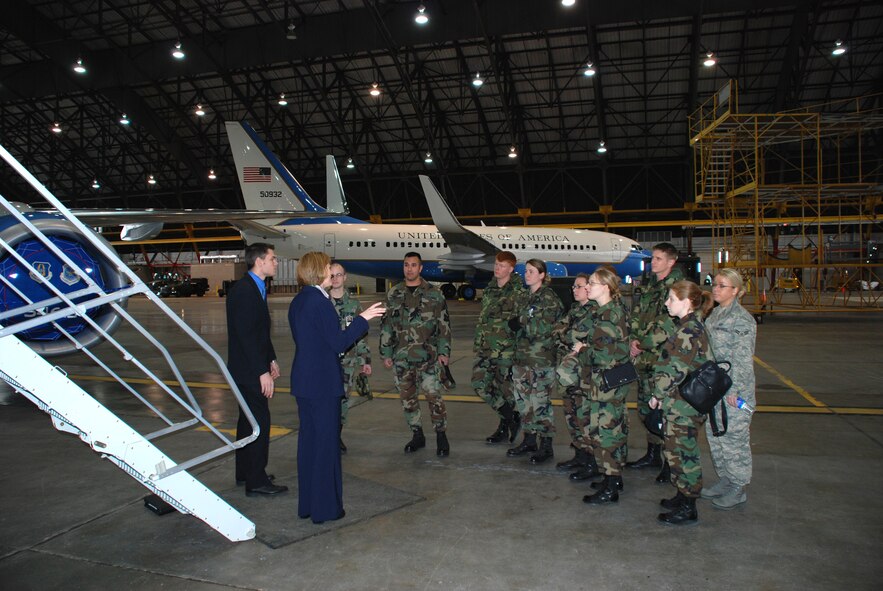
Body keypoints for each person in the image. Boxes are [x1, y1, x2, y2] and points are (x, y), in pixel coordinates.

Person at [288, 252, 385, 524]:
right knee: (325, 447)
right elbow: (338, 342)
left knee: (308, 445)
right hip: (322, 384)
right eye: (329, 267)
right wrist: (362, 318)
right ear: (320, 270)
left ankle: (308, 504)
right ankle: (325, 509)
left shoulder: (299, 300)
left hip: (305, 381)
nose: (332, 271)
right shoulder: (319, 302)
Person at [650, 280, 714, 525]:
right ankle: (681, 494)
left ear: (687, 302)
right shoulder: (687, 326)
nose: (667, 303)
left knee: (684, 453)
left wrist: (657, 394)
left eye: (672, 299)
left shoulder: (688, 330)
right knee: (675, 450)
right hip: (679, 402)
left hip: (684, 405)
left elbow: (675, 369)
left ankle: (689, 506)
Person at [227, 243, 288, 497]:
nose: (276, 262)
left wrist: (271, 358)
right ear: (259, 262)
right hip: (248, 370)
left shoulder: (257, 287)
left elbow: (259, 331)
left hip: (250, 366)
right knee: (260, 422)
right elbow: (245, 335)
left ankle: (245, 471)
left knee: (247, 421)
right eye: (273, 259)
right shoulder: (244, 291)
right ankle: (256, 480)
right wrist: (260, 371)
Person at [380, 252, 452, 456]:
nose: (409, 269)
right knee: (407, 399)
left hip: (428, 357)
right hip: (401, 358)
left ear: (420, 268)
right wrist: (385, 352)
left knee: (434, 396)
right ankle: (417, 434)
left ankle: (441, 435)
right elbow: (387, 326)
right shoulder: (394, 294)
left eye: (413, 265)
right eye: (406, 265)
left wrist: (444, 352)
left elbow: (444, 326)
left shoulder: (434, 294)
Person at [627, 242, 684, 485]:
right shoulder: (650, 285)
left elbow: (667, 324)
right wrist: (633, 341)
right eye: (653, 258)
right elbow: (637, 314)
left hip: (663, 359)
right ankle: (653, 455)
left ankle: (672, 464)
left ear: (672, 261)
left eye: (659, 259)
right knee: (646, 410)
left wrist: (642, 343)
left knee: (664, 413)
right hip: (644, 357)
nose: (653, 263)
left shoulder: (677, 287)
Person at [573, 266, 631, 504]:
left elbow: (603, 356)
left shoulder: (608, 316)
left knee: (605, 434)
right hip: (607, 382)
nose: (588, 287)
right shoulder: (606, 311)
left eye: (593, 284)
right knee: (610, 431)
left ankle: (610, 487)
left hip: (606, 383)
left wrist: (582, 351)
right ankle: (613, 478)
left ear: (605, 288)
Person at [701, 268, 757, 510]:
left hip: (733, 390)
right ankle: (726, 479)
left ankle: (738, 486)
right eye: (714, 284)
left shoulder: (742, 320)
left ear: (736, 291)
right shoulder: (714, 316)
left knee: (734, 439)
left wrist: (737, 393)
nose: (715, 288)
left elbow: (743, 361)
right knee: (716, 436)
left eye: (722, 285)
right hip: (715, 387)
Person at [506, 259, 564, 463]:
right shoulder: (523, 297)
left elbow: (543, 329)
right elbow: (511, 323)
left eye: (531, 271)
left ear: (542, 275)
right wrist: (521, 322)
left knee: (541, 402)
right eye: (526, 271)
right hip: (522, 356)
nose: (527, 274)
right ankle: (529, 439)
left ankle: (546, 444)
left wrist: (521, 322)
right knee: (523, 401)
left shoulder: (549, 299)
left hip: (541, 359)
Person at [472, 251, 527, 444]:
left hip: (507, 351)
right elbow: (484, 319)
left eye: (502, 265)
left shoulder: (519, 291)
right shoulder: (489, 289)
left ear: (511, 269)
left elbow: (524, 321)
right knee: (479, 384)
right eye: (496, 264)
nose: (497, 268)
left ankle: (504, 427)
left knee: (506, 392)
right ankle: (511, 418)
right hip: (487, 348)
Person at [552, 273, 598, 478]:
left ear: (589, 288)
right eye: (573, 286)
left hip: (584, 375)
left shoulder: (595, 311)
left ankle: (592, 461)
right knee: (571, 416)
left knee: (585, 418)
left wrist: (569, 336)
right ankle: (580, 454)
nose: (574, 289)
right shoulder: (574, 309)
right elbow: (557, 331)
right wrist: (570, 337)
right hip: (569, 373)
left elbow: (574, 336)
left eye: (578, 286)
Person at [328, 263, 372, 454]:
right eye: (332, 275)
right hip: (327, 362)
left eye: (339, 275)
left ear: (345, 277)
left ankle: (336, 434)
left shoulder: (354, 305)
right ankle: (328, 435)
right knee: (327, 400)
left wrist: (365, 360)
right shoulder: (323, 304)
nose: (336, 279)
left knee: (344, 400)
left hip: (348, 362)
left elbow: (361, 334)